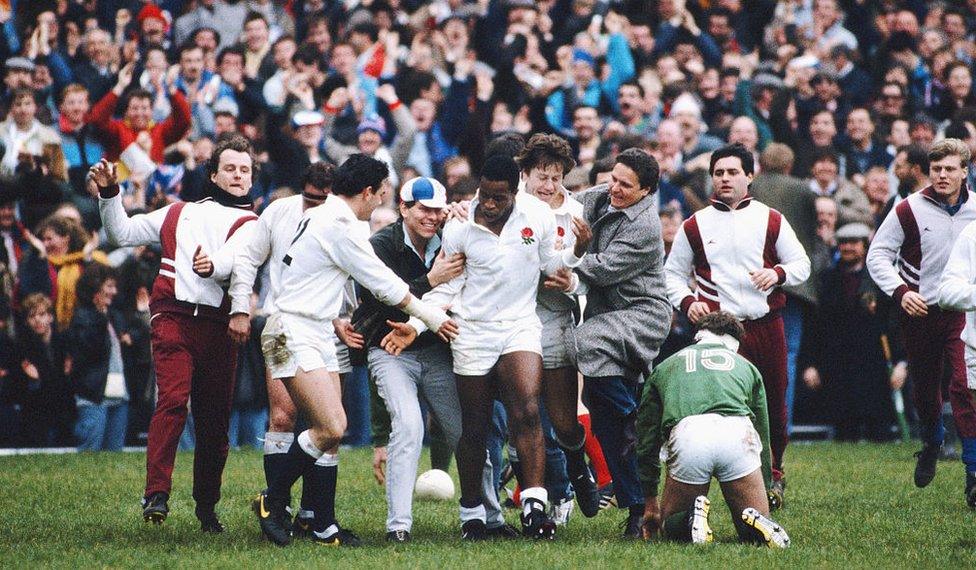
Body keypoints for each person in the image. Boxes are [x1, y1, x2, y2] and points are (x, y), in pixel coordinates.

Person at [250, 154, 457, 547]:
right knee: (331, 426)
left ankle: (322, 524)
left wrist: (333, 321)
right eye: (381, 194)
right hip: (291, 330)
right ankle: (272, 498)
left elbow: (309, 275)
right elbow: (383, 284)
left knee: (331, 430)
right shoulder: (343, 226)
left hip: (317, 326)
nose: (381, 202)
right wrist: (430, 315)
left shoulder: (323, 213)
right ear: (367, 192)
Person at [381, 154, 591, 540]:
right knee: (473, 429)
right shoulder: (459, 226)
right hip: (471, 331)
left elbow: (552, 265)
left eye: (499, 197)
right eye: (486, 195)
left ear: (514, 192)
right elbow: (448, 286)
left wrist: (577, 251)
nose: (490, 204)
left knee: (526, 407)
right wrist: (416, 324)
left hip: (520, 326)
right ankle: (472, 514)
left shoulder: (537, 217)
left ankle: (534, 505)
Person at [91, 135, 260, 532]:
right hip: (174, 317)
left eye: (245, 170)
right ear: (214, 175)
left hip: (220, 327)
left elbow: (238, 264)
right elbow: (122, 234)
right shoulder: (178, 212)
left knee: (215, 420)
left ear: (253, 178)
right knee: (171, 400)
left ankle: (206, 505)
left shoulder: (254, 222)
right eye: (231, 169)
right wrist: (110, 193)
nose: (238, 176)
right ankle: (156, 494)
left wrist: (217, 276)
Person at [354, 176, 511, 542]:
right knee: (409, 426)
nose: (432, 216)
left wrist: (467, 214)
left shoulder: (453, 233)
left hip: (439, 352)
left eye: (438, 209)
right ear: (404, 209)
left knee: (467, 432)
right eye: (423, 209)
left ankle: (491, 517)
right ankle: (398, 527)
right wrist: (429, 279)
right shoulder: (379, 245)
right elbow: (378, 298)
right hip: (390, 349)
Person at [664, 143, 811, 509]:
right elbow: (671, 276)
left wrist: (776, 273)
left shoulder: (771, 218)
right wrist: (688, 302)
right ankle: (704, 482)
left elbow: (802, 265)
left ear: (750, 175)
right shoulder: (695, 224)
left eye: (733, 172)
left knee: (773, 405)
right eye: (719, 173)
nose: (725, 179)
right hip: (718, 333)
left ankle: (773, 475)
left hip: (766, 323)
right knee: (716, 407)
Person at [223, 162, 337, 536]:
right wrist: (241, 306)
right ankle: (279, 508)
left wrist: (347, 317)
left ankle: (318, 517)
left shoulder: (343, 219)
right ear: (300, 190)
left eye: (323, 199)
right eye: (310, 198)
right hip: (284, 321)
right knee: (284, 416)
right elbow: (247, 258)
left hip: (328, 325)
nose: (315, 205)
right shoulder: (278, 212)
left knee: (329, 423)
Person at [573, 148, 673, 538]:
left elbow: (602, 270)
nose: (613, 188)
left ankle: (643, 420)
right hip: (607, 315)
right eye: (612, 178)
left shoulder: (646, 226)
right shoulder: (601, 195)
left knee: (581, 342)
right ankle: (636, 505)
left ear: (646, 191)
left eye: (625, 185)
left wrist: (559, 261)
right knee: (605, 417)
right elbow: (558, 206)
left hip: (640, 315)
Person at [870, 138, 976, 494]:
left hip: (962, 311)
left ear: (965, 170)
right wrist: (902, 292)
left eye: (950, 169)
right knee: (925, 390)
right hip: (921, 309)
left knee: (965, 386)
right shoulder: (908, 208)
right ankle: (932, 440)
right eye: (936, 169)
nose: (942, 176)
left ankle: (973, 471)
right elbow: (878, 255)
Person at [636, 311, 790, 548]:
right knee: (750, 528)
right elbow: (763, 432)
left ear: (698, 336)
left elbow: (646, 438)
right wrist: (767, 487)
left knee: (672, 528)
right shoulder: (747, 367)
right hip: (738, 434)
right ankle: (759, 522)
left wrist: (649, 500)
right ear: (735, 343)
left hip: (690, 435)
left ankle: (690, 519)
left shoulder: (667, 365)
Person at [515, 133, 601, 517]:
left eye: (556, 178)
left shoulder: (577, 214)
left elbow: (589, 275)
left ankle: (577, 470)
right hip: (513, 322)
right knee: (526, 414)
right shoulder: (507, 207)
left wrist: (574, 280)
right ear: (525, 174)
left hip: (555, 321)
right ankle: (552, 494)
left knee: (565, 424)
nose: (549, 186)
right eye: (541, 177)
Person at [67, 263, 129, 451]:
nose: (114, 291)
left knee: (113, 457)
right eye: (109, 286)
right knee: (90, 454)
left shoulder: (114, 316)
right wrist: (100, 318)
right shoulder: (82, 317)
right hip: (93, 396)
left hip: (119, 395)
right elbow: (90, 352)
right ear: (96, 288)